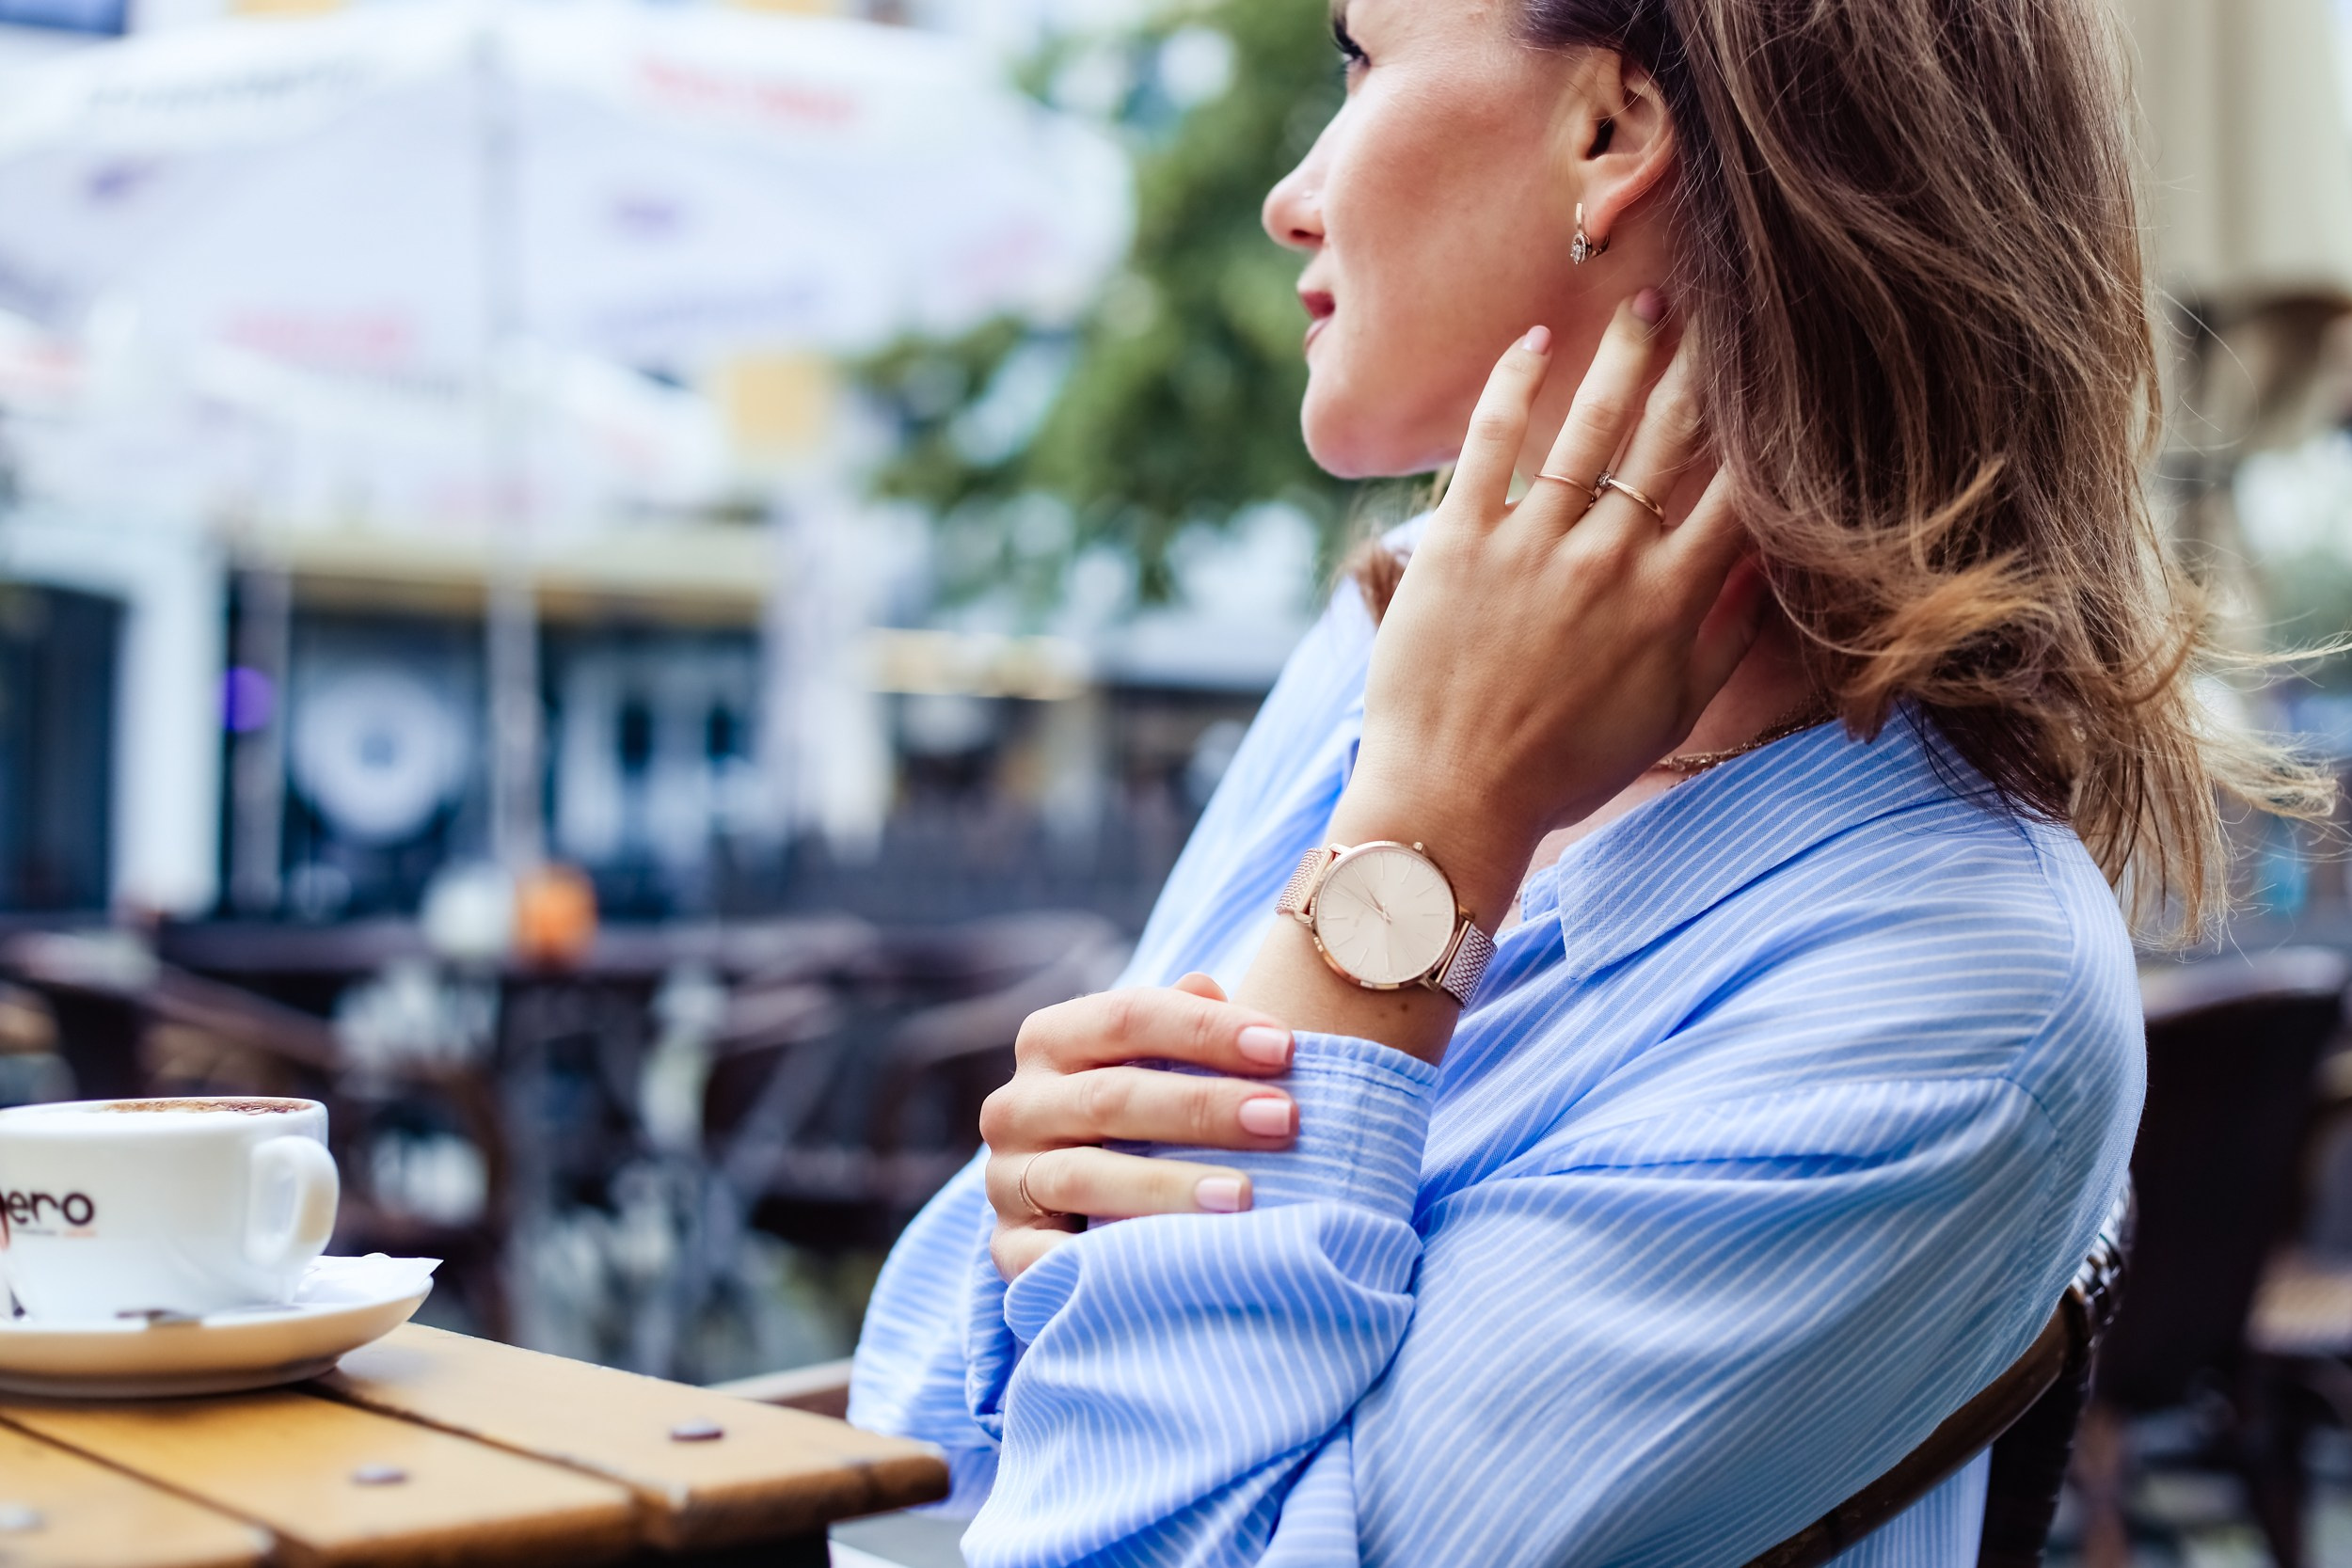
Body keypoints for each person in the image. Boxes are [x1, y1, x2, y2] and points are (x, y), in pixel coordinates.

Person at [850, 0, 2332, 1562]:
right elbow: (928, 1422)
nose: (1293, 192)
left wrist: (1422, 848)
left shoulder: (1948, 978)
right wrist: (1058, 1227)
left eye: (1357, 64)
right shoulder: (1396, 636)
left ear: (1614, 131)